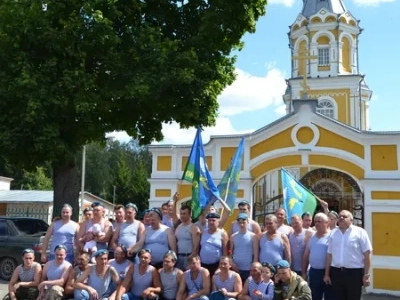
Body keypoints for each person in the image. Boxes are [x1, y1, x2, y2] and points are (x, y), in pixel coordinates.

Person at [324, 210, 372, 300]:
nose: (341, 218)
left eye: (344, 217)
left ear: (351, 220)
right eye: (340, 216)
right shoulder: (333, 233)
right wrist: (327, 274)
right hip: (336, 273)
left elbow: (367, 254)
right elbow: (329, 254)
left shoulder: (360, 232)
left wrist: (366, 275)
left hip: (354, 273)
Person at [230, 213, 259, 283]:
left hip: (248, 270)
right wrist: (232, 264)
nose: (242, 224)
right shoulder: (233, 236)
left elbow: (256, 255)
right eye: (239, 223)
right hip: (236, 269)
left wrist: (253, 269)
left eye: (244, 222)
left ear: (248, 222)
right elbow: (230, 252)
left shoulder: (253, 236)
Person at [199, 212, 228, 277]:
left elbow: (225, 254)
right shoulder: (203, 232)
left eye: (213, 220)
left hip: (216, 265)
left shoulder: (223, 234)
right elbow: (199, 248)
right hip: (203, 265)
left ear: (218, 222)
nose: (211, 222)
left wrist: (219, 268)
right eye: (209, 220)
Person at [175, 205, 201, 270]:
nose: (182, 216)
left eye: (184, 214)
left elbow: (196, 246)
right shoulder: (178, 227)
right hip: (179, 257)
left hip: (189, 257)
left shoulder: (194, 228)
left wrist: (192, 259)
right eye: (181, 213)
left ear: (189, 215)